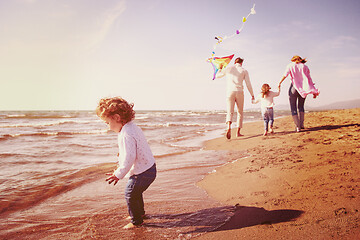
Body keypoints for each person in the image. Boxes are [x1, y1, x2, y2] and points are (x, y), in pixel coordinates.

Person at [96, 97, 156, 229]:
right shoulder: (131, 128)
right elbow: (133, 150)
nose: (108, 126)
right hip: (149, 168)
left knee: (130, 193)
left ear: (117, 117)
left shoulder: (126, 134)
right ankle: (139, 214)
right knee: (135, 192)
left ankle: (137, 221)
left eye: (107, 122)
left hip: (142, 172)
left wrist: (118, 173)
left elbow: (130, 156)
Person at [216, 57, 255, 139]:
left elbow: (217, 76)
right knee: (240, 112)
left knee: (229, 111)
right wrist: (252, 94)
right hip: (239, 91)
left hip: (230, 92)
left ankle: (228, 127)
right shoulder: (244, 71)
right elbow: (248, 84)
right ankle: (238, 132)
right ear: (241, 63)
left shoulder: (229, 68)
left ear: (234, 62)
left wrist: (220, 68)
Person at [278, 55, 319, 132]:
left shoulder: (290, 65)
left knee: (293, 107)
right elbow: (309, 79)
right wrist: (313, 91)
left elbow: (285, 75)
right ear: (300, 59)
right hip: (304, 89)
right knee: (301, 106)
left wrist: (279, 82)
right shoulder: (305, 67)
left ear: (293, 60)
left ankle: (298, 127)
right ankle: (302, 124)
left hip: (294, 87)